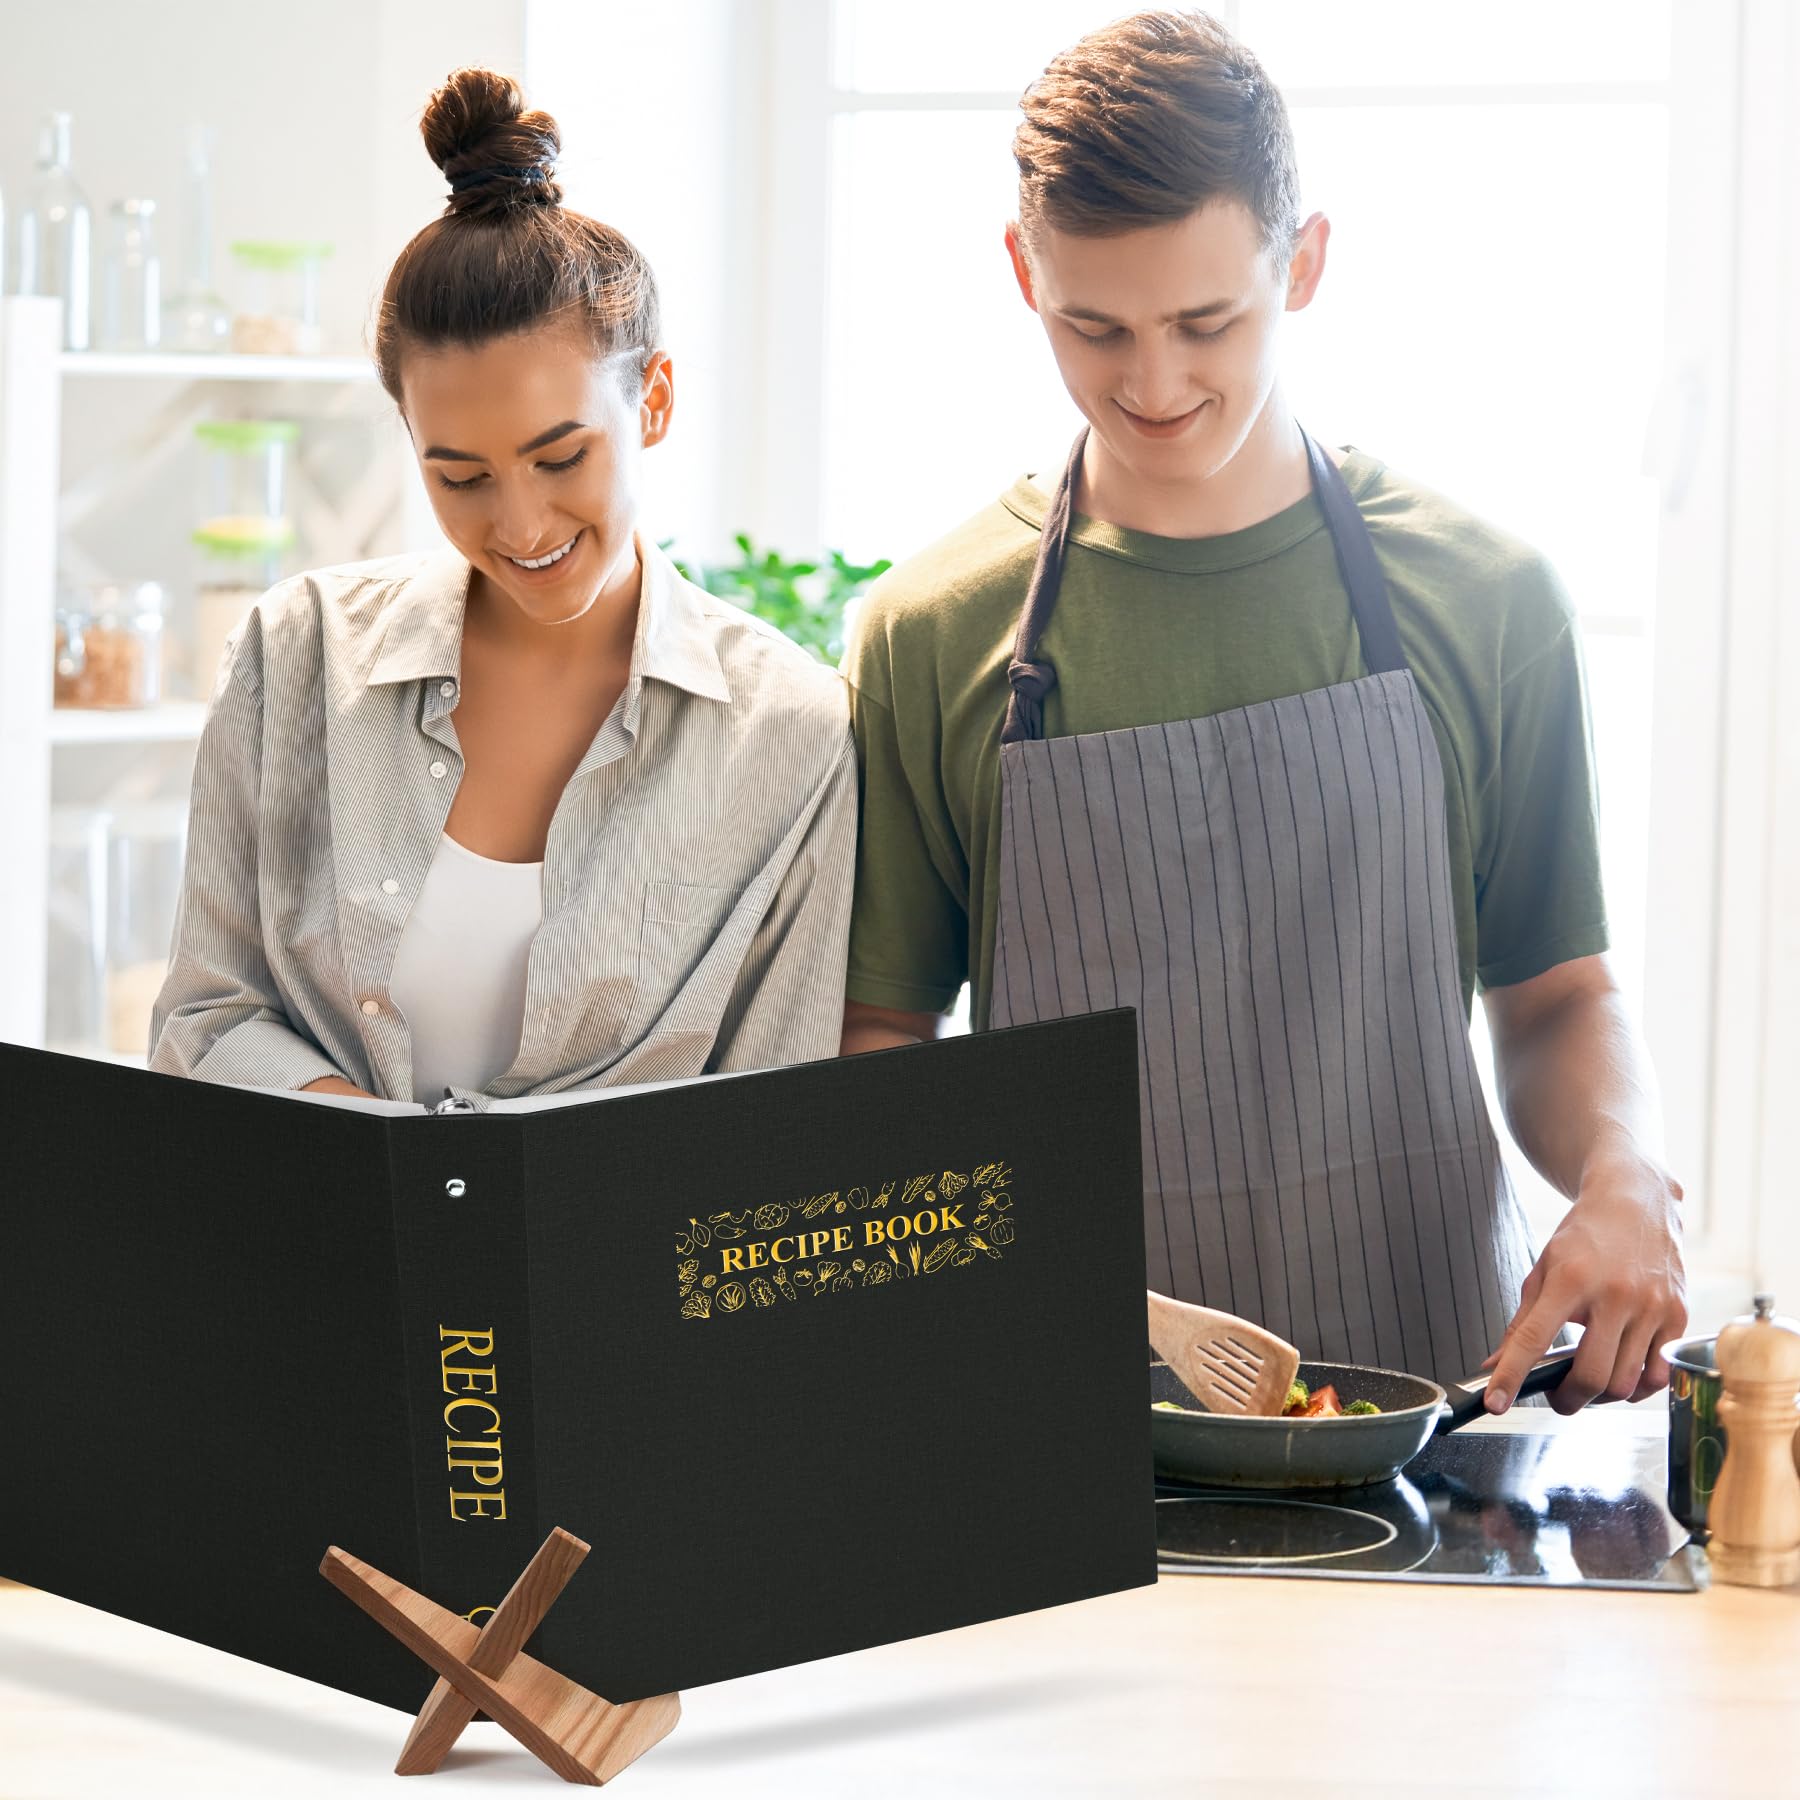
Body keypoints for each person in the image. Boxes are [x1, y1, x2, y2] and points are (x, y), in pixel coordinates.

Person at [839, 10, 1685, 1413]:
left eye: (1205, 322)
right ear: (1019, 272)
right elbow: (883, 1045)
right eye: (1092, 326)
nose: (1152, 384)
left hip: (1432, 1410)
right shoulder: (925, 635)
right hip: (1047, 1413)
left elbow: (1554, 1001)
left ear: (1303, 262)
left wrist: (1626, 1167)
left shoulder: (1489, 600)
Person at [150, 68, 854, 1105]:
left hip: (625, 1264)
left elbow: (777, 1102)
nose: (519, 526)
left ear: (652, 401)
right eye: (460, 476)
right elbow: (203, 1017)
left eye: (562, 458)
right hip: (320, 1245)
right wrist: (393, 1169)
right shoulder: (295, 653)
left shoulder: (787, 729)